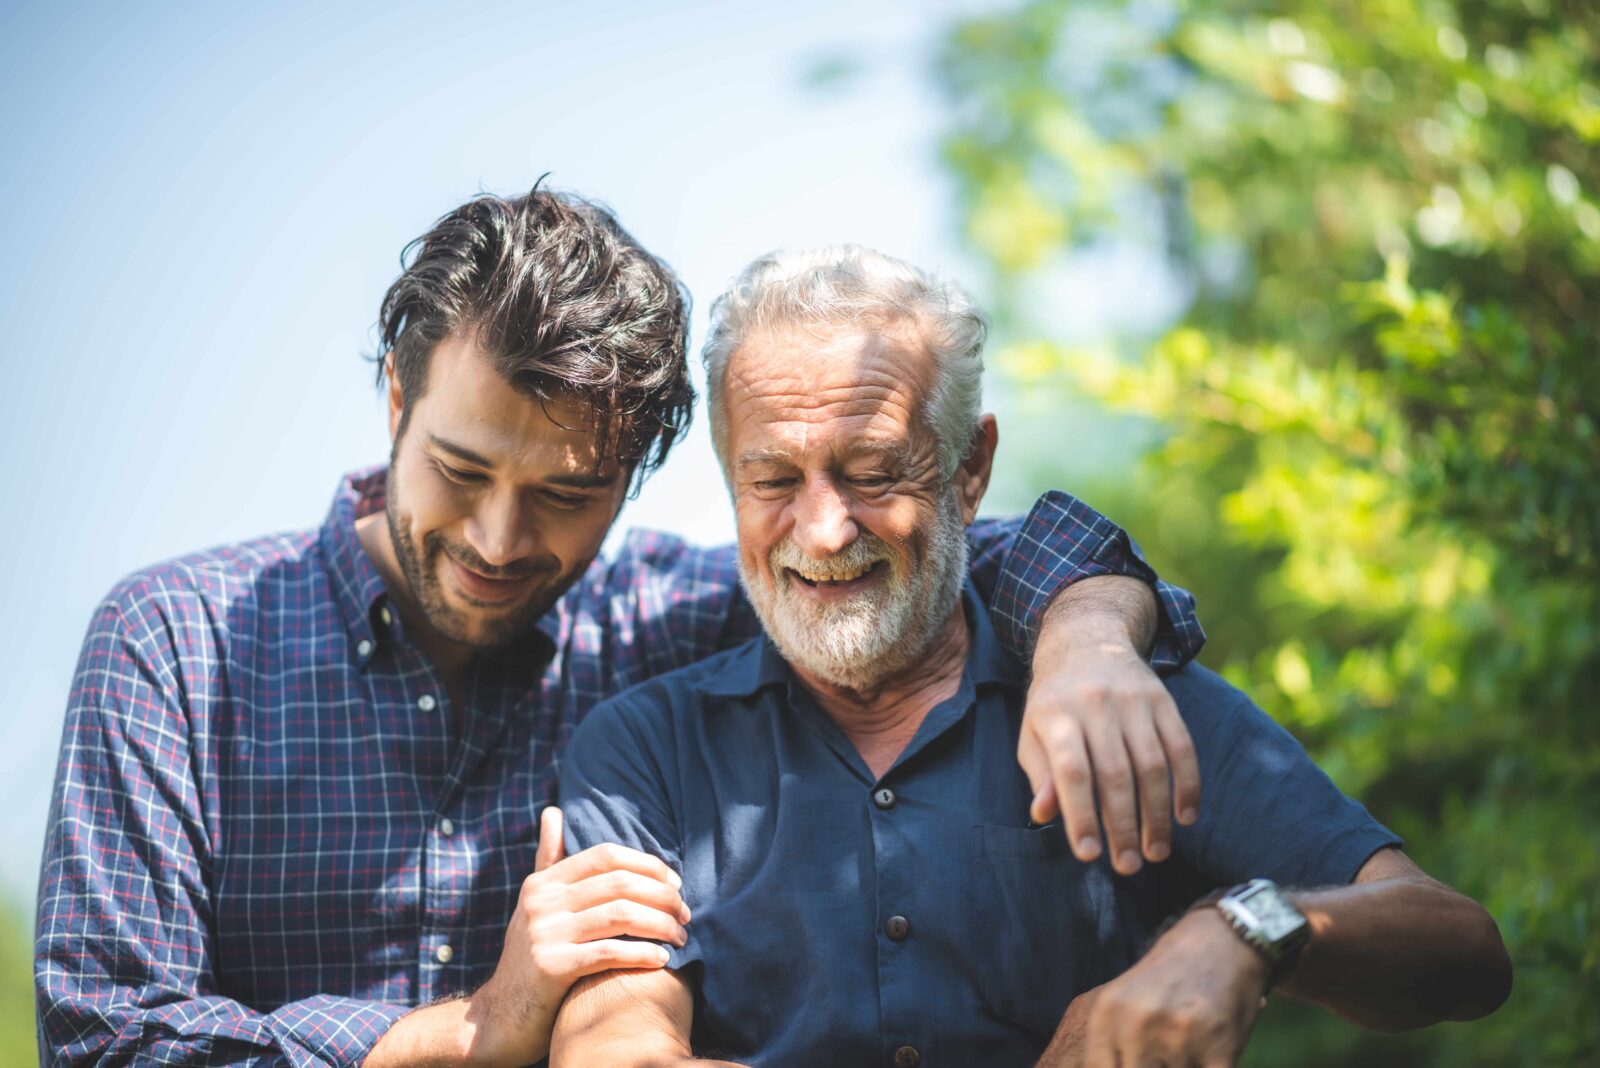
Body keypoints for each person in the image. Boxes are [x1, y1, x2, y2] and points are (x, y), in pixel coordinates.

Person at [35, 188, 1210, 1068]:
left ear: (637, 476)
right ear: (396, 400)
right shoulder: (173, 646)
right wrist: (465, 1031)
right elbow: (102, 1040)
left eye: (563, 495)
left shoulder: (672, 618)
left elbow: (923, 552)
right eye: (457, 469)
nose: (498, 540)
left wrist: (1089, 636)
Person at [551, 245, 1513, 1067]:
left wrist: (1244, 929)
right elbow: (611, 1044)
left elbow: (1463, 951)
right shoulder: (645, 747)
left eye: (874, 472)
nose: (824, 529)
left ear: (970, 469)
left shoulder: (1120, 699)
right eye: (771, 478)